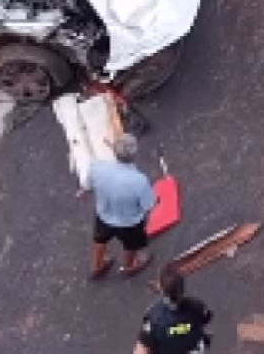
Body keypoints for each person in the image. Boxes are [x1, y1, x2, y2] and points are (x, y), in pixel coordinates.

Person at [89, 134, 158, 281]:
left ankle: (97, 265)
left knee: (100, 240)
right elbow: (148, 205)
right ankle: (128, 265)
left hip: (103, 215)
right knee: (131, 245)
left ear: (114, 152)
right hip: (129, 223)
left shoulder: (96, 167)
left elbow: (88, 185)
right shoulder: (139, 180)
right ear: (134, 154)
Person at [137, 269, 215, 354]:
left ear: (162, 291)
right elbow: (206, 318)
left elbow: (141, 350)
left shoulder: (153, 318)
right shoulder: (197, 306)